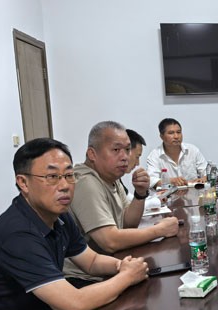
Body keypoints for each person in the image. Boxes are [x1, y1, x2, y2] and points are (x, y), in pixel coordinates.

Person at [0, 138, 148, 310]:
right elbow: (72, 304)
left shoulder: (58, 215)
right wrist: (125, 277)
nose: (64, 185)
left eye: (68, 175)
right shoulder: (17, 234)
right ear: (23, 183)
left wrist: (121, 265)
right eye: (52, 177)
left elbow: (90, 261)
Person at [64, 122, 178, 286]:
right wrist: (159, 230)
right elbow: (109, 241)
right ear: (92, 154)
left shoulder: (111, 178)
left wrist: (140, 194)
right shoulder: (86, 182)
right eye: (116, 150)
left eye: (127, 149)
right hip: (83, 279)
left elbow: (128, 223)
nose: (125, 157)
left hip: (109, 266)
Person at [146, 118, 208, 188]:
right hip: (168, 194)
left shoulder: (192, 150)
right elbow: (151, 180)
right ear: (161, 136)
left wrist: (203, 179)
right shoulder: (155, 155)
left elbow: (207, 173)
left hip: (193, 193)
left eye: (178, 132)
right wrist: (170, 181)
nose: (176, 136)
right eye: (171, 133)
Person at [120, 128, 146, 196]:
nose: (138, 163)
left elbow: (128, 199)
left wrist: (141, 192)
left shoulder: (116, 180)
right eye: (137, 157)